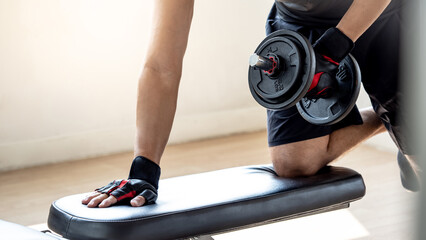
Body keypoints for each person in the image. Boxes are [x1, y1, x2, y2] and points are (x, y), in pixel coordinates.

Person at [82, 0, 418, 209]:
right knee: (294, 163)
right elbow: (161, 66)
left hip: (384, 13)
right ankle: (386, 117)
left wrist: (335, 45)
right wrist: (145, 168)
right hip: (299, 22)